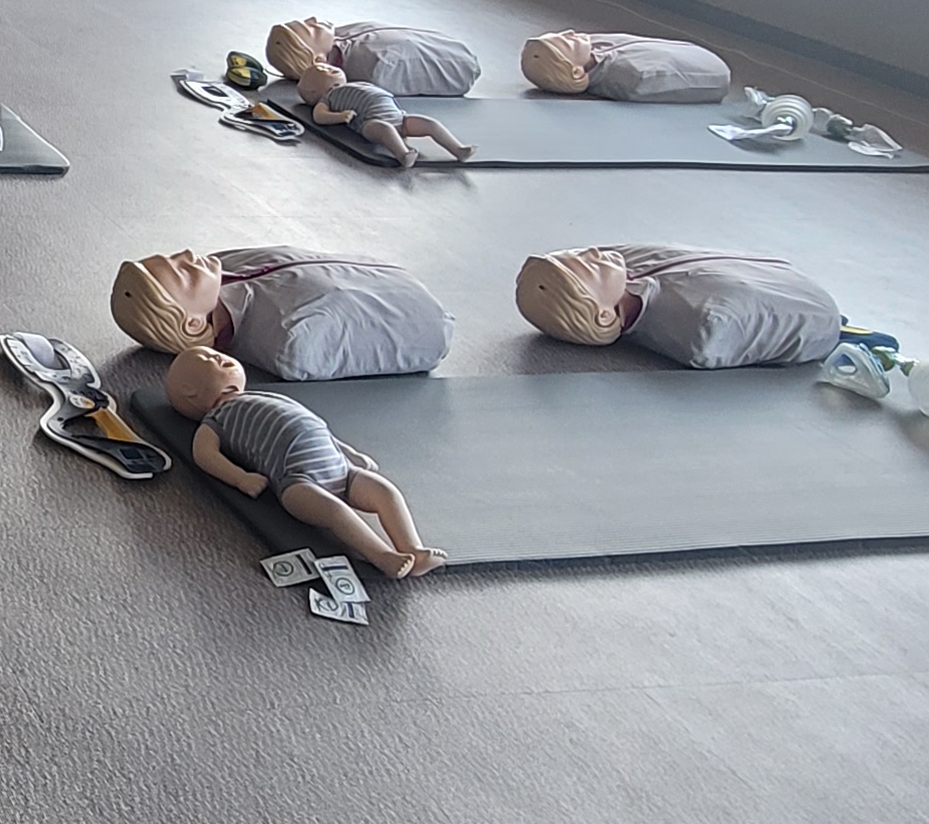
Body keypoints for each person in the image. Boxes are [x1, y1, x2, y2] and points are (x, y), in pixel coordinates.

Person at [166, 349, 445, 578]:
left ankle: (413, 548)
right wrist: (240, 478)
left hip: (341, 468)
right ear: (190, 391)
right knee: (336, 512)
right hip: (297, 480)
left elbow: (314, 425)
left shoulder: (264, 395)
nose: (220, 357)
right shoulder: (215, 420)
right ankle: (382, 556)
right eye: (208, 359)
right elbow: (204, 455)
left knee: (386, 492)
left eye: (217, 354)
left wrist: (349, 453)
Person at [110, 247, 452, 380]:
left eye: (174, 257)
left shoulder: (224, 265)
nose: (187, 254)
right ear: (192, 323)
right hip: (422, 315)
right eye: (183, 271)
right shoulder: (293, 338)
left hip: (386, 272)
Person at [514, 245, 846, 370]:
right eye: (590, 267)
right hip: (816, 309)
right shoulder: (706, 322)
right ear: (603, 315)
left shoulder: (624, 262)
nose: (593, 254)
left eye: (579, 254)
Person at [266, 17, 478, 98]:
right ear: (319, 60)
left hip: (449, 49)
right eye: (310, 29)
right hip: (460, 64)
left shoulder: (341, 37)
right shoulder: (377, 65)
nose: (313, 19)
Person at [303, 78, 477, 169]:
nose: (329, 70)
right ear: (314, 93)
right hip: (370, 123)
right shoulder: (327, 98)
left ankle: (458, 149)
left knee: (430, 124)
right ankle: (403, 154)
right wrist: (340, 116)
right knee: (385, 129)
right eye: (322, 73)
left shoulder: (358, 83)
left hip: (401, 118)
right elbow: (319, 116)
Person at [519, 30, 731, 103]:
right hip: (714, 70)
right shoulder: (631, 74)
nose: (571, 32)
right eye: (569, 42)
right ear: (576, 71)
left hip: (702, 56)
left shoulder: (593, 46)